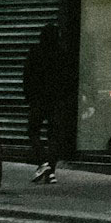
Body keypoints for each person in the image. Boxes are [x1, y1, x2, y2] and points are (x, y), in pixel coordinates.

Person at [22, 24, 69, 183]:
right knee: (54, 136)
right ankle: (51, 171)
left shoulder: (35, 52)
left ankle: (43, 162)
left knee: (32, 130)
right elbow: (67, 78)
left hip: (39, 99)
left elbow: (27, 76)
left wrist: (28, 96)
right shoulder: (62, 54)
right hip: (56, 100)